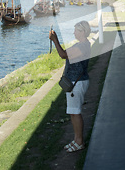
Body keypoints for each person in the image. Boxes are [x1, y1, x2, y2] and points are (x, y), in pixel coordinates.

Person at [49, 21, 92, 153]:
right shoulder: (82, 45)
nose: (74, 33)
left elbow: (63, 54)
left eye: (76, 31)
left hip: (77, 83)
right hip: (74, 83)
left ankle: (79, 142)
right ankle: (76, 139)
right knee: (73, 112)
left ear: (83, 32)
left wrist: (55, 40)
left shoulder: (83, 46)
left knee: (76, 112)